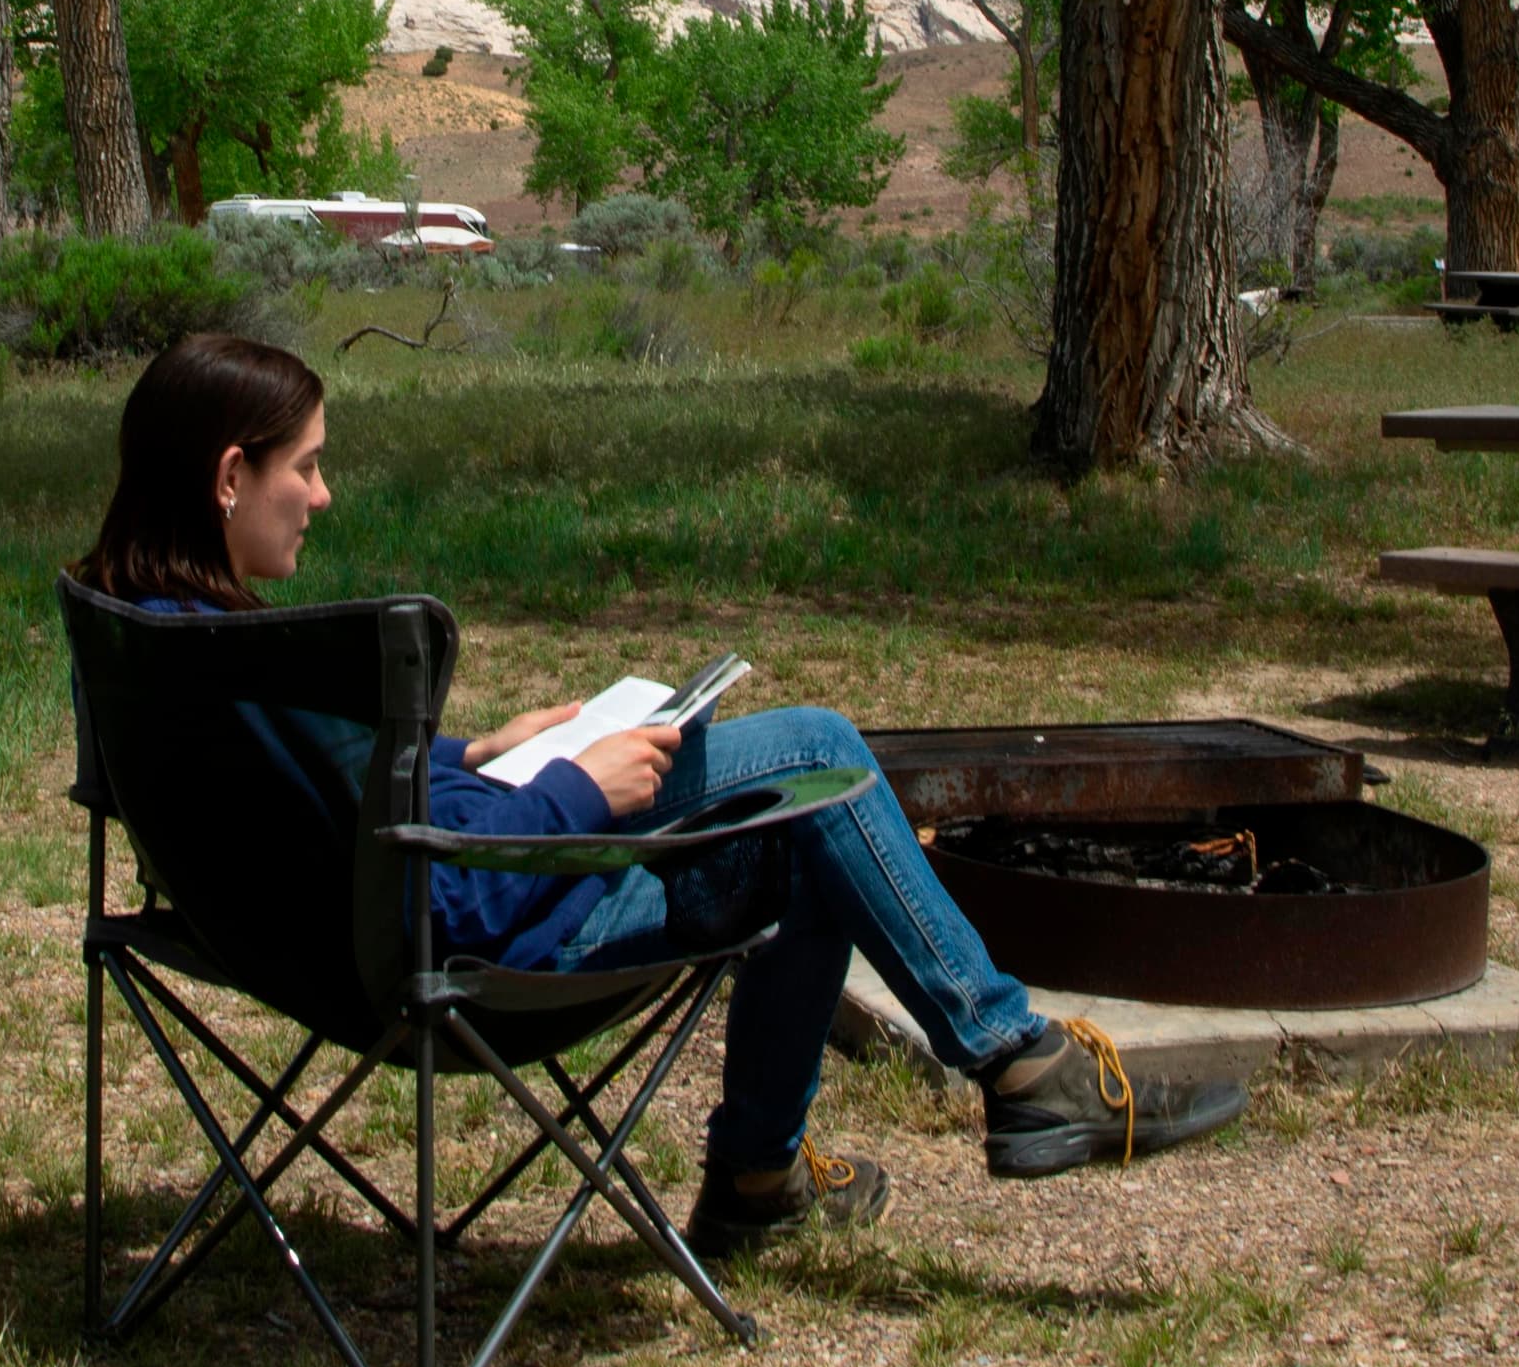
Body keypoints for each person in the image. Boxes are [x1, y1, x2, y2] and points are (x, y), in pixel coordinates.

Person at [76, 330, 1247, 1260]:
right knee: (817, 765)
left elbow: (342, 809)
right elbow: (455, 893)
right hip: (462, 955)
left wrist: (480, 754)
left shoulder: (151, 637)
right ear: (232, 475)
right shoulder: (268, 664)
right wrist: (580, 790)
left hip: (309, 944)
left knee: (801, 808)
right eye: (308, 464)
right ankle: (1012, 1068)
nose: (323, 494)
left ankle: (765, 1180)